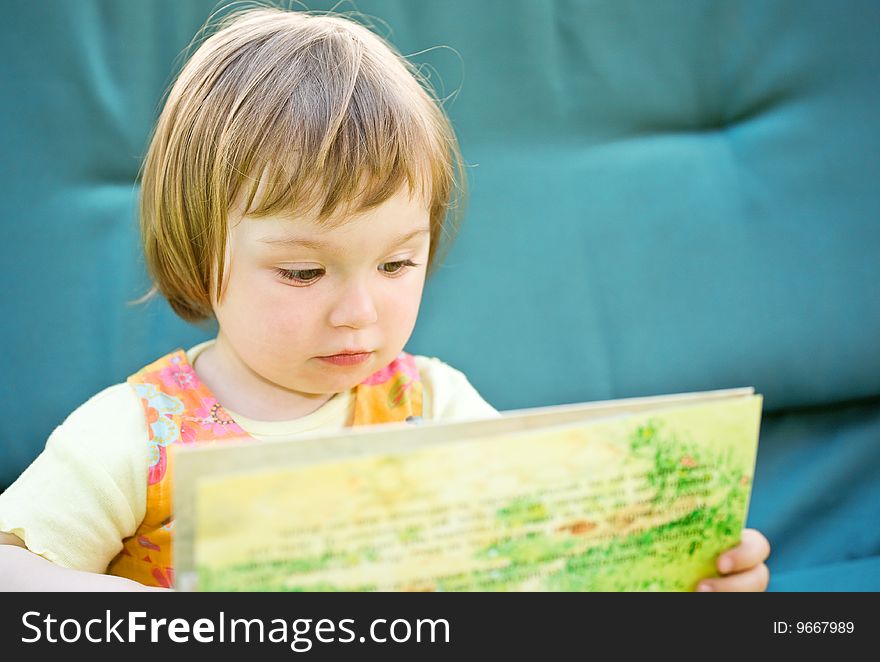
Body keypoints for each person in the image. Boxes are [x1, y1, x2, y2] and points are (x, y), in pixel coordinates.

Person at [0, 7, 769, 592]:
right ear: (202, 258)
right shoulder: (133, 436)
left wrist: (683, 575)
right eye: (304, 273)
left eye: (397, 263)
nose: (359, 313)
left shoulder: (431, 404)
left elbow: (541, 559)